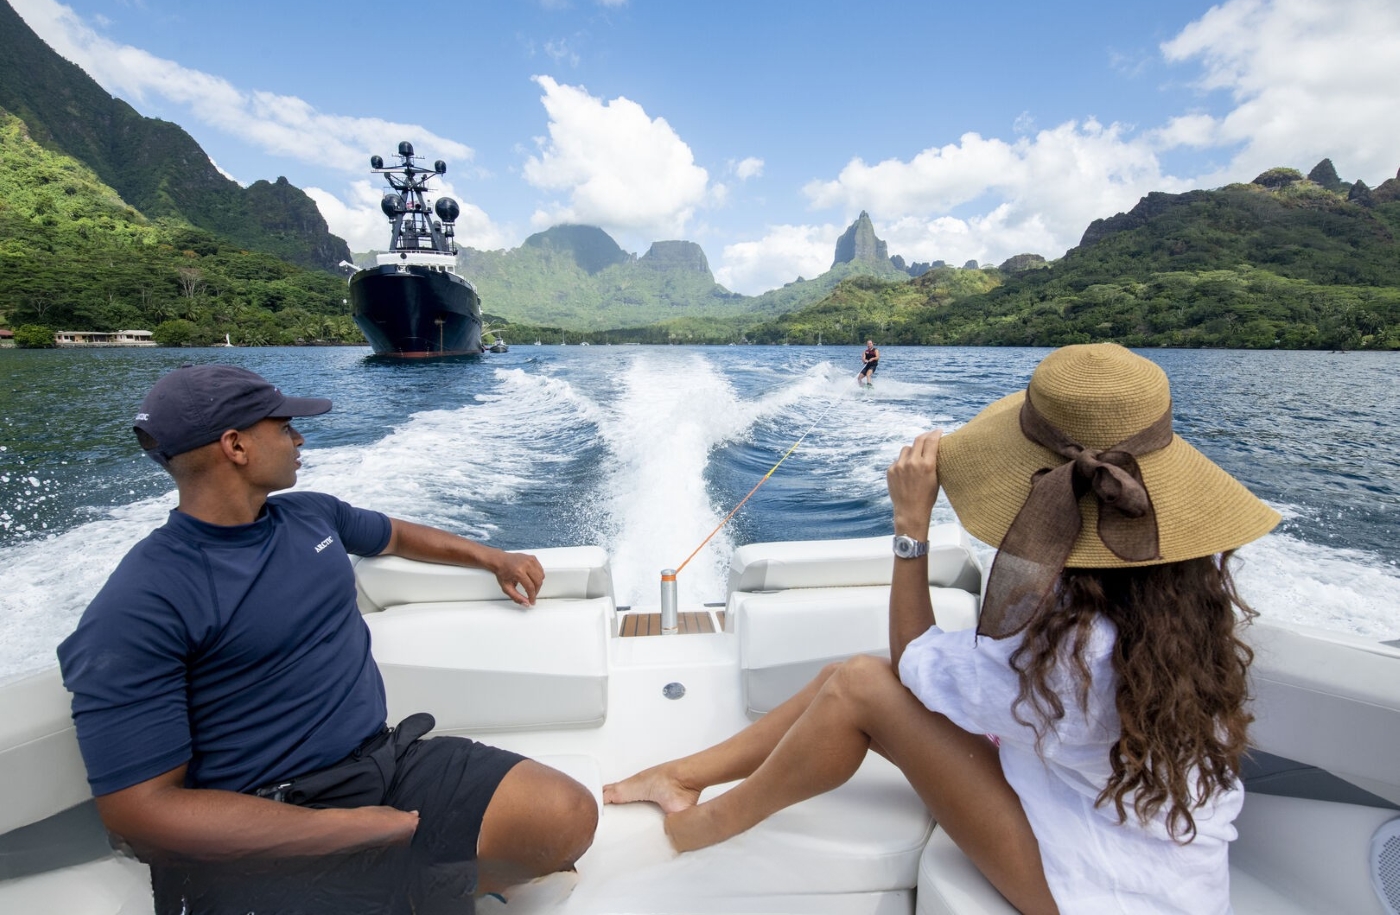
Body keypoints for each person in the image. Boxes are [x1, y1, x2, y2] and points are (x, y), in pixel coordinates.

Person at [604, 343, 1279, 914]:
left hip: (1098, 886)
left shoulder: (1078, 644)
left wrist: (911, 527)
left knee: (861, 684)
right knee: (850, 676)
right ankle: (681, 775)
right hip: (1166, 862)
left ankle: (706, 823)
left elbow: (913, 662)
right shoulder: (1179, 593)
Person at [58, 365, 597, 915]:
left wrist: (492, 557)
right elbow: (139, 812)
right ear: (236, 446)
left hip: (383, 762)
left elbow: (395, 535)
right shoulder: (141, 603)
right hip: (264, 816)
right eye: (284, 427)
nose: (299, 439)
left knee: (563, 815)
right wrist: (348, 828)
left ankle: (410, 888)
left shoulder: (312, 515)